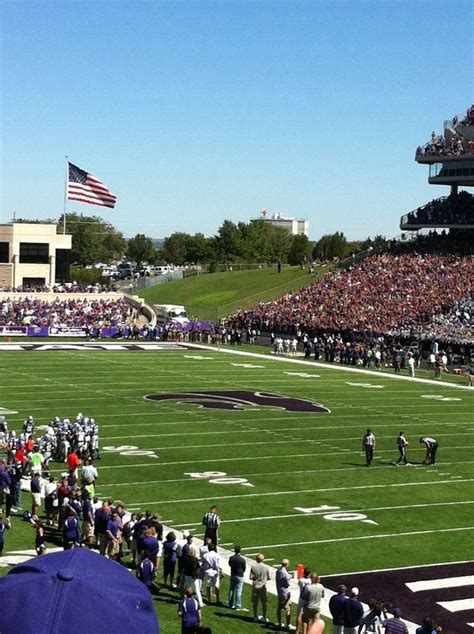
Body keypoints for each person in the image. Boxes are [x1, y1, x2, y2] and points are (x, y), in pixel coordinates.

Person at [250, 553, 271, 624]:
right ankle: (264, 617)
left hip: (255, 586)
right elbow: (269, 577)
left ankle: (255, 616)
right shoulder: (266, 567)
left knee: (255, 602)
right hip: (263, 586)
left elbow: (250, 577)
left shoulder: (253, 566)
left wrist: (256, 578)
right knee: (264, 602)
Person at [276, 558, 296, 630]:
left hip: (279, 591)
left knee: (279, 607)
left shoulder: (278, 571)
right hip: (285, 592)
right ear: (287, 564)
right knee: (288, 609)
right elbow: (288, 584)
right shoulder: (285, 573)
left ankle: (279, 622)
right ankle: (288, 624)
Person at [228, 544, 246, 610]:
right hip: (239, 575)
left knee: (231, 589)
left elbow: (230, 564)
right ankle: (238, 605)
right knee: (238, 591)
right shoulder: (242, 559)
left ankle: (230, 603)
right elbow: (244, 568)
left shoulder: (231, 558)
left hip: (233, 574)